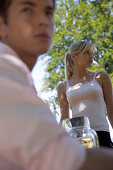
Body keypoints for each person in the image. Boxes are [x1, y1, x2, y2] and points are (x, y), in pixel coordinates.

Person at [0, 1, 113, 170]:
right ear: (2, 24)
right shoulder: (5, 73)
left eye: (48, 12)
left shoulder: (22, 80)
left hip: (100, 137)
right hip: (78, 141)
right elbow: (61, 156)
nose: (43, 20)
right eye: (27, 9)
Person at [57, 40, 113, 148]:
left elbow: (111, 111)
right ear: (74, 56)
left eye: (92, 53)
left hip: (102, 135)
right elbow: (64, 118)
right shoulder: (63, 86)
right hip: (78, 138)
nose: (91, 56)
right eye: (86, 53)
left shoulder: (101, 77)